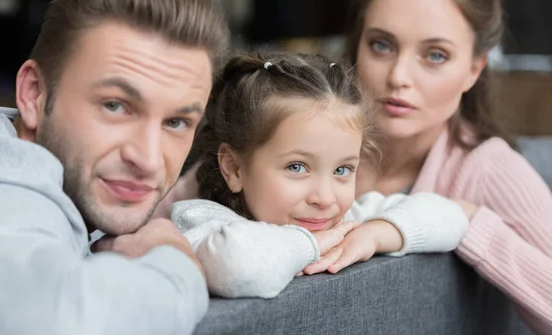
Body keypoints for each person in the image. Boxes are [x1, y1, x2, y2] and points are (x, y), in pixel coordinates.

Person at [0, 0, 229, 335]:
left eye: (176, 122)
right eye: (115, 106)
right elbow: (57, 322)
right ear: (33, 94)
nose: (147, 159)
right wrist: (176, 263)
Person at [344, 0, 552, 335]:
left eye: (435, 55)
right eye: (382, 45)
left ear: (474, 69)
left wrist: (468, 222)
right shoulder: (307, 133)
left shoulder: (488, 168)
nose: (399, 76)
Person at [170, 52, 469, 298]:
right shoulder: (202, 223)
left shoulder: (349, 223)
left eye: (342, 170)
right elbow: (236, 267)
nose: (324, 198)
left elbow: (452, 218)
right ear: (234, 168)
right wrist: (313, 245)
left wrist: (377, 234)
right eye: (297, 167)